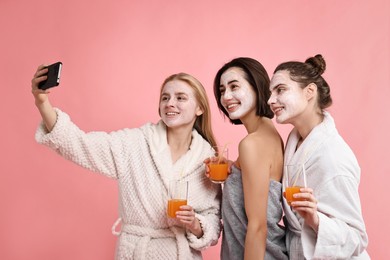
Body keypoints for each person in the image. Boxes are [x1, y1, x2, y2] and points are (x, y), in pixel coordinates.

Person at [31, 65, 222, 260]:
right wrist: (42, 101)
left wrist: (195, 224)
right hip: (137, 252)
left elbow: (213, 220)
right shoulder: (134, 143)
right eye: (165, 98)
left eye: (180, 97)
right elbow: (79, 144)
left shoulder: (207, 159)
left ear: (200, 108)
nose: (170, 103)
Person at [267, 54, 370, 259]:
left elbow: (356, 237)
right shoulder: (297, 139)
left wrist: (315, 219)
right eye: (270, 93)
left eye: (281, 90)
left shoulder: (333, 156)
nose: (270, 100)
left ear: (309, 92)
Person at [212, 57, 288, 260]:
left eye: (234, 86)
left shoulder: (251, 144)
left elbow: (258, 227)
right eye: (221, 90)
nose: (226, 96)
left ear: (257, 86)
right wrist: (232, 168)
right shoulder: (269, 133)